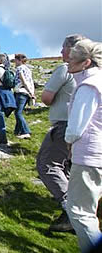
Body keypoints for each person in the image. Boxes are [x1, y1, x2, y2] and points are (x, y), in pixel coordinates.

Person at [36, 34, 86, 232]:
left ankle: (70, 210)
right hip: (87, 127)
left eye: (63, 48)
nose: (60, 52)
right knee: (71, 166)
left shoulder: (65, 70)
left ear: (72, 50)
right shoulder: (93, 72)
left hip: (65, 125)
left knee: (47, 164)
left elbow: (47, 98)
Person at [64, 40, 102, 253]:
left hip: (90, 156)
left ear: (86, 62)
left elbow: (77, 128)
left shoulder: (89, 86)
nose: (68, 61)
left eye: (72, 58)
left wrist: (68, 143)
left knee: (79, 211)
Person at [13, 54, 35, 139]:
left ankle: (26, 131)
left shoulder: (19, 69)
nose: (14, 61)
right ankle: (17, 131)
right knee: (19, 111)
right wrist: (31, 93)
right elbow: (30, 82)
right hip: (27, 93)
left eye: (15, 60)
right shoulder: (28, 70)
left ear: (19, 60)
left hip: (21, 91)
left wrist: (30, 92)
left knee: (18, 113)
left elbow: (24, 81)